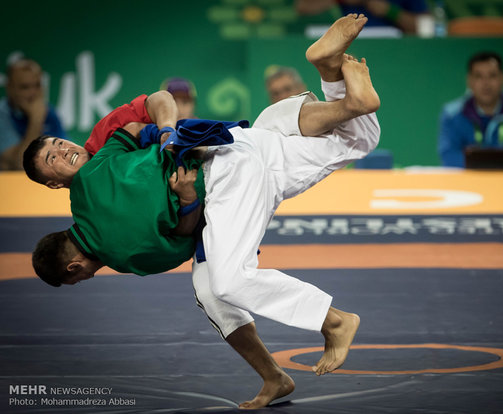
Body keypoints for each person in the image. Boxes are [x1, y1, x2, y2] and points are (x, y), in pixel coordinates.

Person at [27, 14, 380, 408]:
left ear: (74, 268)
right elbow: (134, 134)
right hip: (225, 143)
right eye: (52, 159)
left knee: (228, 282)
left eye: (57, 144)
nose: (62, 152)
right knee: (212, 290)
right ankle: (334, 79)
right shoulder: (94, 168)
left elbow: (185, 232)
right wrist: (166, 144)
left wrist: (173, 157)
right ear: (53, 184)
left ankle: (333, 320)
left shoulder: (118, 245)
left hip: (225, 180)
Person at [438, 51, 503, 168]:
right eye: (479, 76)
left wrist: (478, 160)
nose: (486, 83)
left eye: (492, 76)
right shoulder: (451, 114)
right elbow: (449, 156)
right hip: (468, 181)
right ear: (469, 81)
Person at [0, 58, 67, 170]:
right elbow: (20, 165)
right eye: (25, 87)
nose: (33, 93)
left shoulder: (49, 111)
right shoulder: (2, 115)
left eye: (37, 85)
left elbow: (64, 156)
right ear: (9, 88)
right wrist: (36, 120)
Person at [296, 0, 428, 35]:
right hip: (350, 48)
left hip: (393, 49)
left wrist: (390, 11)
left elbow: (426, 27)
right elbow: (303, 6)